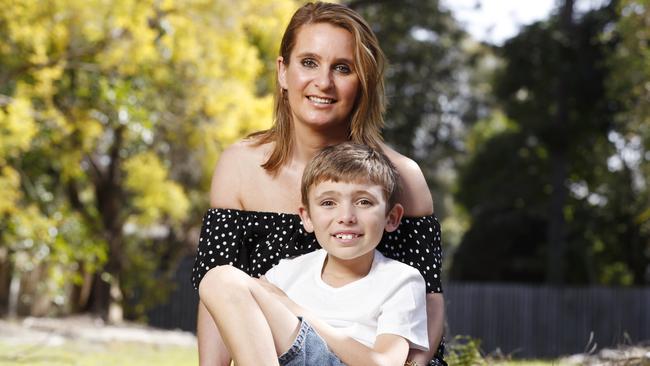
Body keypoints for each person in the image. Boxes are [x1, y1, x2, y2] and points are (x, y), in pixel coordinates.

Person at [191, 2, 446, 365]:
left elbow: (429, 298)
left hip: (369, 355)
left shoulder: (399, 176)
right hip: (282, 352)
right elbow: (218, 297)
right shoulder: (239, 166)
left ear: (363, 82)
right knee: (219, 279)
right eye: (309, 62)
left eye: (342, 68)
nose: (323, 82)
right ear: (283, 71)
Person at [199, 143, 429, 366]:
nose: (346, 216)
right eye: (329, 203)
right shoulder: (286, 273)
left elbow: (384, 363)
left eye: (364, 202)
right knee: (218, 278)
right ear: (307, 217)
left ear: (392, 218)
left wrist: (298, 311)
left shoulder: (402, 279)